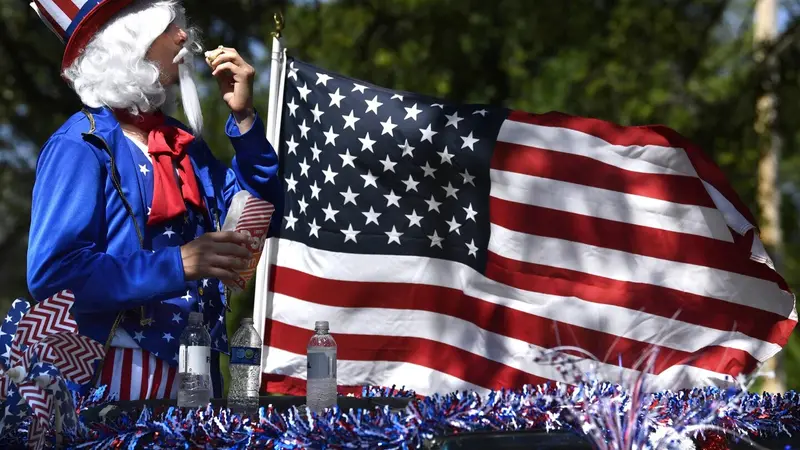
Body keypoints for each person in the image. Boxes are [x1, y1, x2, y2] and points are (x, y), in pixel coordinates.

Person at [26, 0, 283, 401]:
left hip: (200, 381)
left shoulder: (184, 146)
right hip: (110, 385)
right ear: (130, 41)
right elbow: (55, 276)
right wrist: (178, 263)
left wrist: (246, 120)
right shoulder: (79, 144)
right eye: (168, 27)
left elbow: (258, 216)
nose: (184, 36)